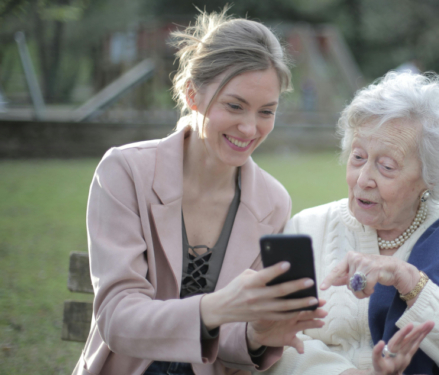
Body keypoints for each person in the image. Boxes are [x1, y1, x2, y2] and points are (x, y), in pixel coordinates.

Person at [73, 10, 327, 375]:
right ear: (193, 93)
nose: (249, 127)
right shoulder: (125, 172)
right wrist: (215, 308)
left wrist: (257, 334)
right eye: (234, 105)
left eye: (266, 111)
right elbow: (117, 318)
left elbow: (230, 342)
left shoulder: (272, 202)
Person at [264, 72, 439, 375]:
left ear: (431, 177)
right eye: (358, 157)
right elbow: (272, 340)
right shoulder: (307, 229)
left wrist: (409, 280)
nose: (363, 180)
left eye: (386, 166)